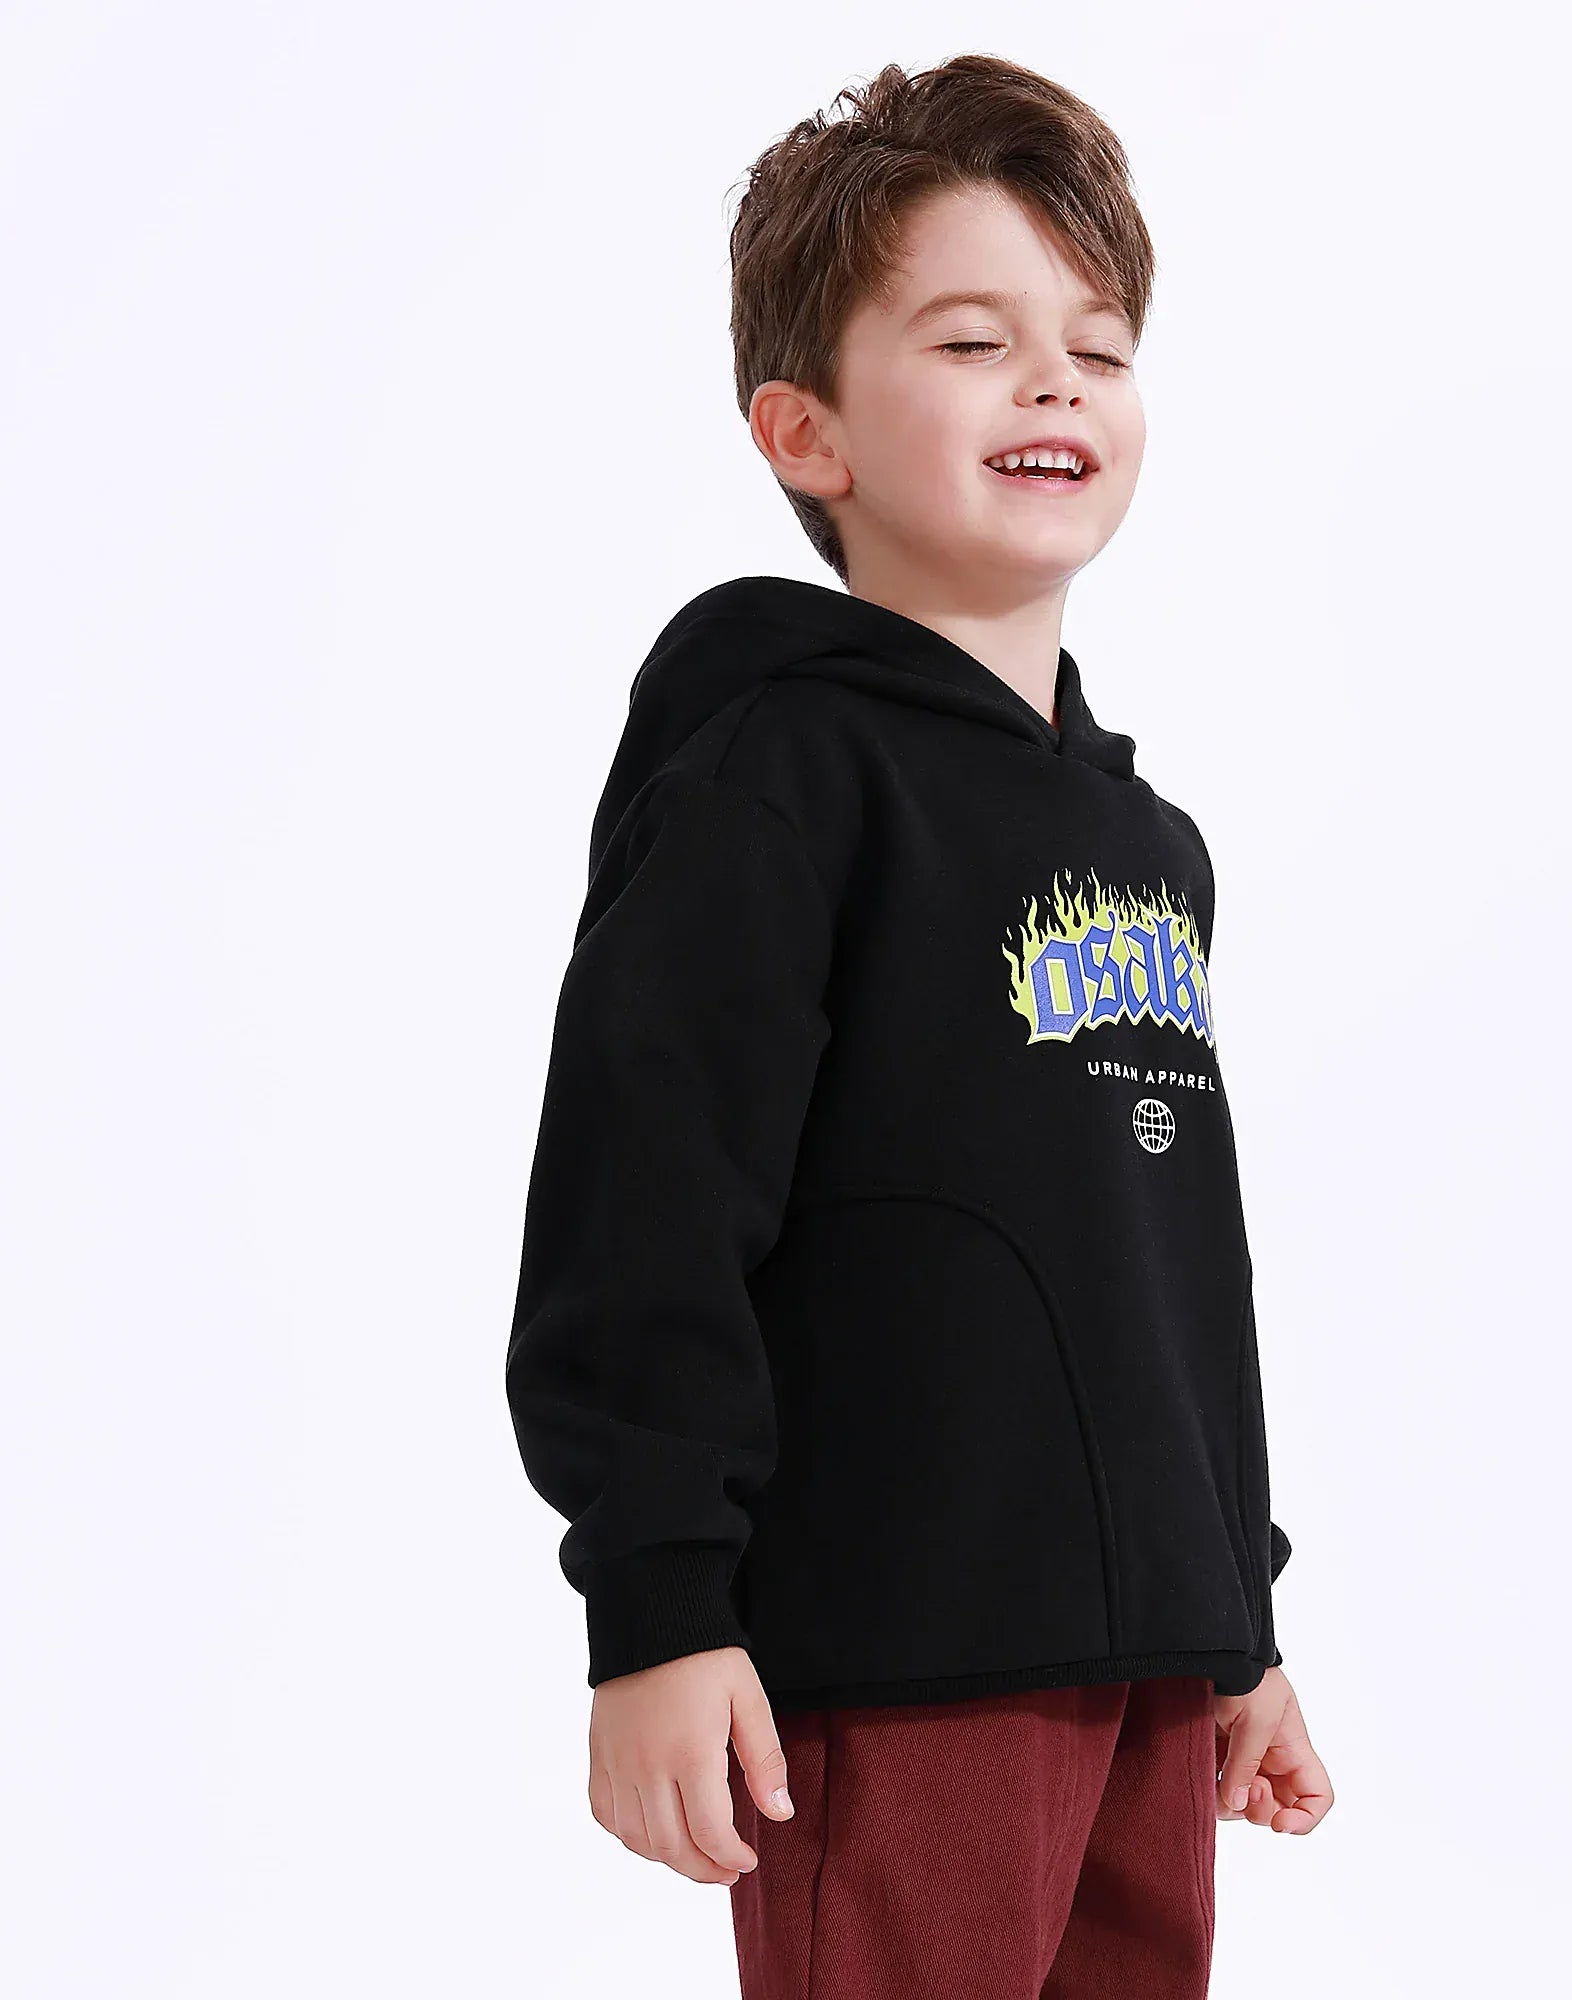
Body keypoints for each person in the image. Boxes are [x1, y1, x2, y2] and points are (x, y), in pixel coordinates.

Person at [504, 51, 1334, 1998]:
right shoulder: (774, 776)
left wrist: (1239, 1613)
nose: (1054, 384)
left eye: (1097, 347)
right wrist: (658, 1604)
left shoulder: (1151, 848)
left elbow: (1174, 1262)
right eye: (974, 342)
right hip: (894, 1646)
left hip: (1145, 1657)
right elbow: (646, 1202)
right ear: (806, 430)